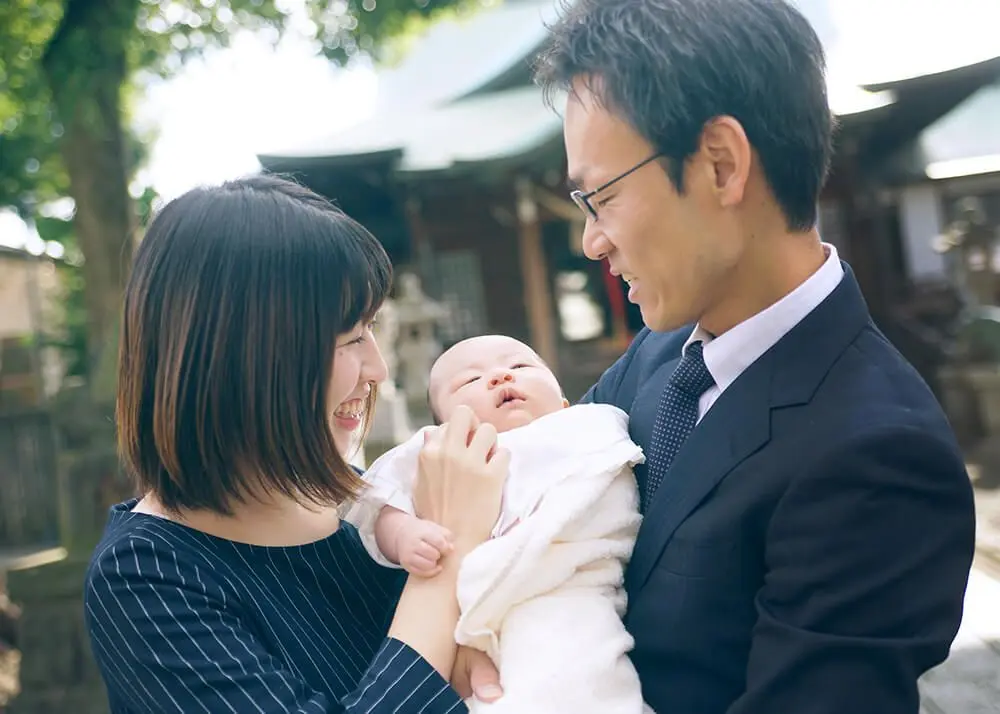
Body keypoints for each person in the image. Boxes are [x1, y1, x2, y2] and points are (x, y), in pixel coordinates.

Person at [524, 0, 977, 713]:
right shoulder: (659, 354)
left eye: (602, 196)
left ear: (721, 164)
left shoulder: (878, 454)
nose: (592, 241)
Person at [83, 175, 508, 713]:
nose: (377, 368)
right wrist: (449, 559)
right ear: (245, 357)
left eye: (371, 328)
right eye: (350, 338)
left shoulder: (381, 515)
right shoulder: (146, 579)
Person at [345, 335, 650, 714]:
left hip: (569, 591)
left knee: (590, 674)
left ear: (564, 403)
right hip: (478, 602)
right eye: (469, 381)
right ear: (443, 425)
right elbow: (383, 503)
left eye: (520, 367)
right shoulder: (438, 452)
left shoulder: (590, 425)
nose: (500, 376)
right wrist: (406, 535)